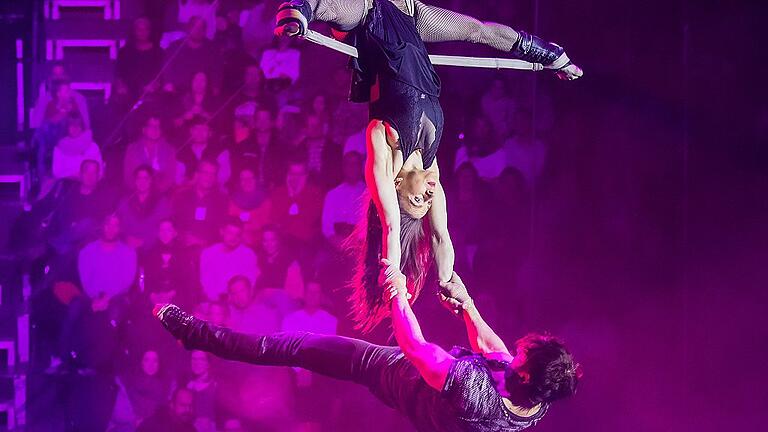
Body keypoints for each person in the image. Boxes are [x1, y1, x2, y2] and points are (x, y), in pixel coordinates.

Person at [276, 0, 583, 331]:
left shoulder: (385, 141)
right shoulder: (430, 164)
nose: (430, 193)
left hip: (370, 14)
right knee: (476, 30)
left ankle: (297, 8)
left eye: (419, 199)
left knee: (333, 8)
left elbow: (392, 225)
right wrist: (447, 278)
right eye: (428, 201)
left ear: (397, 187)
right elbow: (440, 235)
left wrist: (391, 269)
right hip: (410, 15)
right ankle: (548, 52)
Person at [154, 264, 581, 432]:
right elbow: (494, 349)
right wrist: (467, 304)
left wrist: (397, 291)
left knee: (294, 345)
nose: (515, 355)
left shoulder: (474, 389)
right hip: (427, 401)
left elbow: (413, 345)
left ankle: (196, 334)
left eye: (522, 359)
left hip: (390, 373)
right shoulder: (534, 401)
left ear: (525, 376)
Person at [199, 217, 259, 302]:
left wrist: (235, 299)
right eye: (230, 233)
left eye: (237, 234)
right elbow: (205, 282)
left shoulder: (248, 255)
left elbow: (250, 283)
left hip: (239, 302)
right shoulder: (208, 253)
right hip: (213, 302)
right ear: (222, 232)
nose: (233, 238)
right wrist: (217, 301)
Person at [171, 159, 229, 245]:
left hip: (210, 249)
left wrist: (202, 242)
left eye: (213, 174)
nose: (209, 177)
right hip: (183, 247)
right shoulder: (181, 197)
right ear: (197, 175)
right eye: (205, 173)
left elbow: (223, 231)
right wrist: (182, 236)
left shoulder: (221, 200)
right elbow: (173, 223)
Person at [116, 165, 171, 250]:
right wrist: (126, 238)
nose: (142, 182)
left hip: (153, 248)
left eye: (146, 178)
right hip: (127, 247)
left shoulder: (161, 202)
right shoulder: (125, 201)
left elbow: (165, 230)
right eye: (139, 178)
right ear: (135, 181)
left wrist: (145, 242)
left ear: (151, 180)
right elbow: (117, 225)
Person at [321, 150, 366, 248]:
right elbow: (327, 227)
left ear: (361, 167)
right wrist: (339, 243)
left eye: (355, 164)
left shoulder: (368, 193)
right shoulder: (333, 194)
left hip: (361, 243)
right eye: (349, 164)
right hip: (336, 242)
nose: (352, 168)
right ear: (344, 167)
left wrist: (358, 244)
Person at [123, 115, 179, 193]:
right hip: (136, 194)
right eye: (151, 126)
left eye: (158, 126)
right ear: (144, 129)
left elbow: (170, 176)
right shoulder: (132, 149)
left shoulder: (169, 150)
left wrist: (157, 193)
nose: (155, 129)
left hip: (160, 194)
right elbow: (128, 176)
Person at [116, 17, 165, 102]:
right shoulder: (124, 51)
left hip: (151, 91)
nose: (142, 33)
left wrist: (155, 85)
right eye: (139, 30)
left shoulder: (158, 52)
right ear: (134, 31)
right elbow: (119, 73)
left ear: (149, 31)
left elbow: (162, 74)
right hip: (128, 91)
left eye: (145, 29)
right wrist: (121, 86)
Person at [51, 113, 103, 180]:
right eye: (71, 124)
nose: (75, 127)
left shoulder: (93, 146)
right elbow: (57, 173)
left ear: (83, 127)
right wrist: (76, 176)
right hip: (68, 185)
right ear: (66, 126)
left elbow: (100, 172)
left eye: (78, 124)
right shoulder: (59, 148)